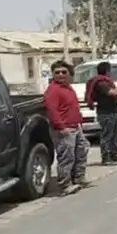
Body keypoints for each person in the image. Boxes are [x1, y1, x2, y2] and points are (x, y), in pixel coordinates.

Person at [43, 60, 90, 195]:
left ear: (70, 74)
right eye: (57, 72)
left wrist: (79, 123)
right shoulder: (53, 90)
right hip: (63, 129)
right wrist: (61, 127)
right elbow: (52, 110)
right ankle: (65, 185)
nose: (61, 75)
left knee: (81, 152)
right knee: (66, 157)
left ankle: (79, 179)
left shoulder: (68, 88)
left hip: (75, 127)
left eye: (64, 72)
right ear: (52, 75)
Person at [86, 61, 117, 165]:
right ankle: (106, 158)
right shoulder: (102, 83)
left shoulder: (106, 81)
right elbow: (114, 93)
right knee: (107, 135)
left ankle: (114, 155)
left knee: (113, 135)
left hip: (112, 111)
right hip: (105, 113)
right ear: (107, 70)